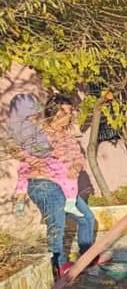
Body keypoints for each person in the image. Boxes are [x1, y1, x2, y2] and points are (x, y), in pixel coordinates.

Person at [13, 95, 100, 277]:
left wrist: (76, 167)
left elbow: (78, 158)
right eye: (62, 111)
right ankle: (58, 268)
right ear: (52, 111)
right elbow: (25, 163)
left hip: (65, 187)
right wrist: (21, 193)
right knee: (57, 225)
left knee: (87, 218)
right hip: (43, 184)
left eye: (69, 113)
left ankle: (86, 260)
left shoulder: (68, 137)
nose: (66, 116)